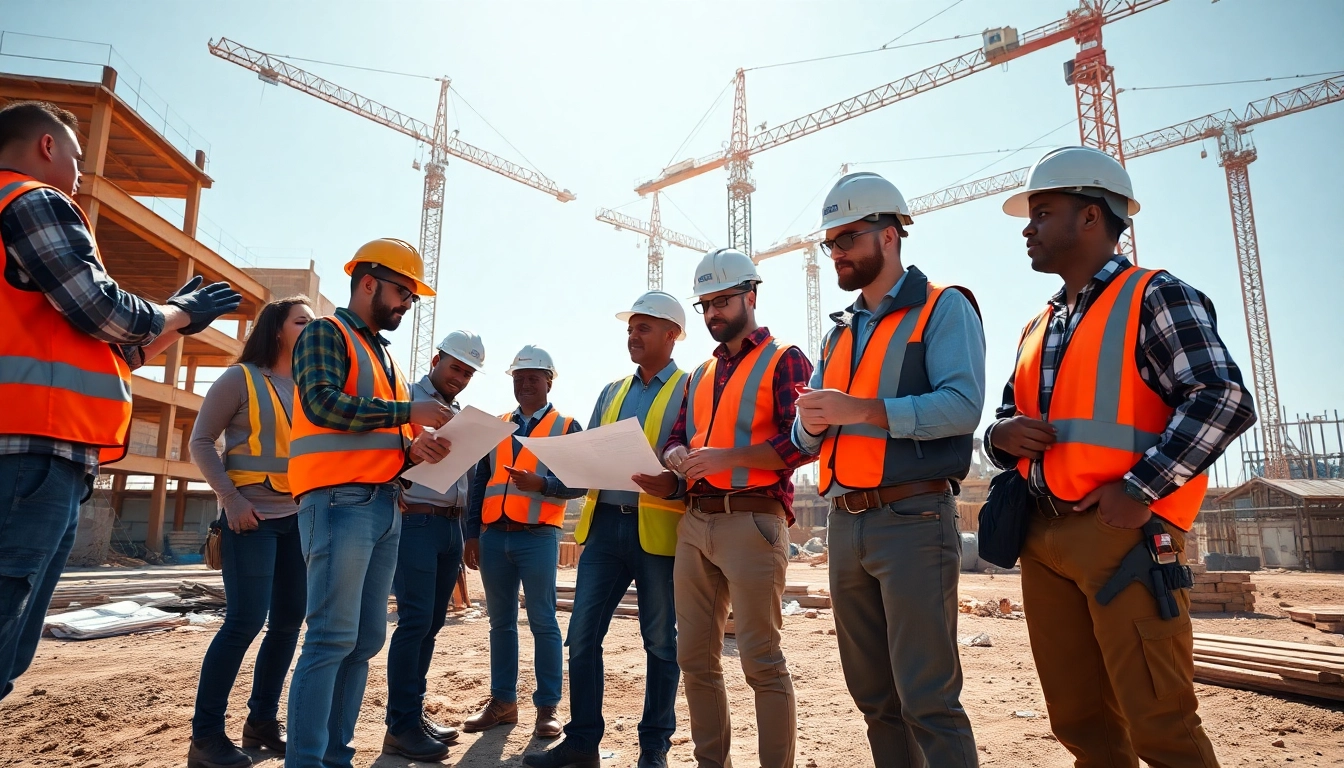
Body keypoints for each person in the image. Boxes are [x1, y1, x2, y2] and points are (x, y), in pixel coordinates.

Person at [986, 146, 1256, 767]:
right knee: (1084, 727)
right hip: (1043, 537)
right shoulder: (1038, 326)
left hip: (1123, 538)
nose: (1028, 227)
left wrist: (1140, 489)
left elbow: (1223, 398)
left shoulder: (1155, 295)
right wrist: (999, 438)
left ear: (1091, 217)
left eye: (1042, 211)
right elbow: (1006, 416)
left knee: (1160, 725)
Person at [0, 100, 240, 699]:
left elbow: (111, 352)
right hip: (29, 454)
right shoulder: (31, 199)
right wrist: (176, 310)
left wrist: (172, 324)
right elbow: (103, 309)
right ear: (48, 148)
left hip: (42, 454)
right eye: (77, 159)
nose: (80, 175)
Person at [792, 171, 985, 767]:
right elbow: (806, 436)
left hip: (912, 517)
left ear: (890, 236)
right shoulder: (840, 332)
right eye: (831, 243)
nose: (837, 253)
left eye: (848, 238)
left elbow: (962, 406)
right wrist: (813, 424)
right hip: (846, 525)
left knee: (928, 699)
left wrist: (862, 411)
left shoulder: (943, 307)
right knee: (875, 698)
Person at [634, 249, 813, 768]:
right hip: (697, 522)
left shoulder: (786, 358)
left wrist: (724, 457)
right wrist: (673, 459)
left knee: (760, 660)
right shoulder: (699, 374)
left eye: (721, 301)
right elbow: (675, 435)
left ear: (750, 297)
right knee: (695, 660)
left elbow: (802, 443)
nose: (712, 313)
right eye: (706, 304)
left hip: (753, 521)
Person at [284, 238, 454, 768]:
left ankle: (336, 756)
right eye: (403, 292)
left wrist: (413, 448)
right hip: (339, 502)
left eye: (412, 296)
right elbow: (322, 402)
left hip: (382, 504)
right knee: (331, 639)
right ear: (367, 282)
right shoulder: (324, 333)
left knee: (363, 642)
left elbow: (374, 432)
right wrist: (410, 409)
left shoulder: (382, 355)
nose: (407, 303)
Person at [526, 292, 688, 768]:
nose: (632, 336)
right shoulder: (611, 391)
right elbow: (592, 457)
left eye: (643, 328)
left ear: (671, 334)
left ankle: (654, 746)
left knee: (660, 642)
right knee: (582, 637)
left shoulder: (689, 388)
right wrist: (557, 474)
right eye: (630, 328)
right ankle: (582, 744)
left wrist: (674, 483)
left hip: (657, 532)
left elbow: (694, 457)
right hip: (602, 536)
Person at [186, 296, 314, 768]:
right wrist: (232, 501)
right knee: (243, 622)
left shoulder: (307, 385)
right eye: (303, 322)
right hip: (249, 518)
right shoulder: (239, 378)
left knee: (287, 624)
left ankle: (261, 722)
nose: (311, 329)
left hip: (297, 519)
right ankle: (205, 738)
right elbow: (200, 441)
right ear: (277, 329)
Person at [464, 345, 585, 739]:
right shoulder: (496, 426)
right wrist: (471, 534)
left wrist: (543, 485)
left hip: (537, 536)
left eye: (533, 377)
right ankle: (503, 703)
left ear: (549, 381)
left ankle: (547, 707)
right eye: (518, 378)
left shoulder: (567, 426)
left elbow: (580, 483)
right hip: (494, 536)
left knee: (543, 622)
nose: (525, 384)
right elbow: (480, 482)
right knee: (500, 623)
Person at [383, 330, 486, 760]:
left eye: (467, 372)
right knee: (414, 622)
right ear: (436, 359)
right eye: (455, 367)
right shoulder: (406, 399)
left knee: (431, 625)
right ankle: (401, 725)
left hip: (448, 526)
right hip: (416, 523)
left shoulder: (457, 413)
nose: (460, 378)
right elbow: (385, 451)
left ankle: (413, 714)